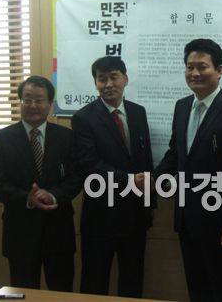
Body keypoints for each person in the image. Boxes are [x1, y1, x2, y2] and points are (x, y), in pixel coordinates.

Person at [153, 38, 222, 302]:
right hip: (187, 218)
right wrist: (155, 179)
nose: (195, 73)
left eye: (202, 67)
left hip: (219, 221)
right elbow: (176, 154)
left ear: (219, 71)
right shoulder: (182, 106)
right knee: (197, 288)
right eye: (189, 67)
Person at [0, 75, 81, 291]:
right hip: (20, 233)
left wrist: (52, 195)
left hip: (59, 232)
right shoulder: (1, 139)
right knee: (23, 292)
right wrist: (27, 199)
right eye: (27, 99)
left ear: (50, 103)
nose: (33, 105)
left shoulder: (66, 137)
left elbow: (76, 177)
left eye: (39, 100)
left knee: (62, 292)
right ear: (20, 102)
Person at [72, 56, 154, 298]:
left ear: (125, 79)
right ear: (95, 83)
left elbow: (145, 159)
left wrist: (150, 205)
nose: (108, 84)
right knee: (94, 282)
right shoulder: (84, 118)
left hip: (136, 215)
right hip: (101, 216)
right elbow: (89, 165)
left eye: (114, 77)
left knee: (133, 281)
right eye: (102, 79)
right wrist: (130, 180)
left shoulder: (138, 112)